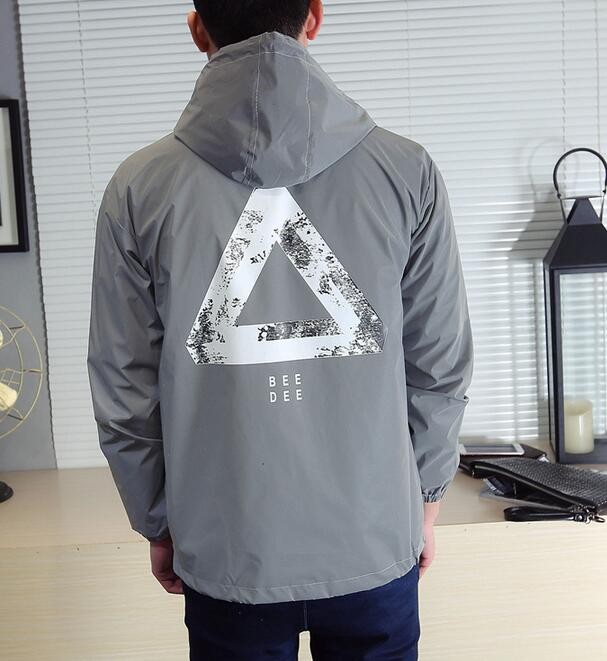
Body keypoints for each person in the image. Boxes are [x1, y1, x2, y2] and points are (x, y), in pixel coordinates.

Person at [86, 1, 474, 658]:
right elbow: (439, 363)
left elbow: (125, 384)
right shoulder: (406, 171)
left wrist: (158, 519)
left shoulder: (139, 189)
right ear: (314, 17)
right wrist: (425, 500)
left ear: (197, 28)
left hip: (225, 544)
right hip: (373, 537)